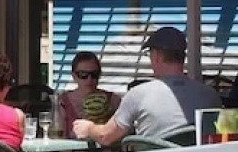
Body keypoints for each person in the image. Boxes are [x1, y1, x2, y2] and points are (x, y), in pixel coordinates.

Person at [73, 27, 221, 144]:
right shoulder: (210, 96)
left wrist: (89, 128)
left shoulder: (138, 95)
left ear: (156, 56)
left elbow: (106, 136)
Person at [58, 51, 115, 136]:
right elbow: (58, 136)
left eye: (94, 74)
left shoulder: (113, 100)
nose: (89, 79)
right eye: (83, 74)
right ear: (74, 76)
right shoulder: (63, 102)